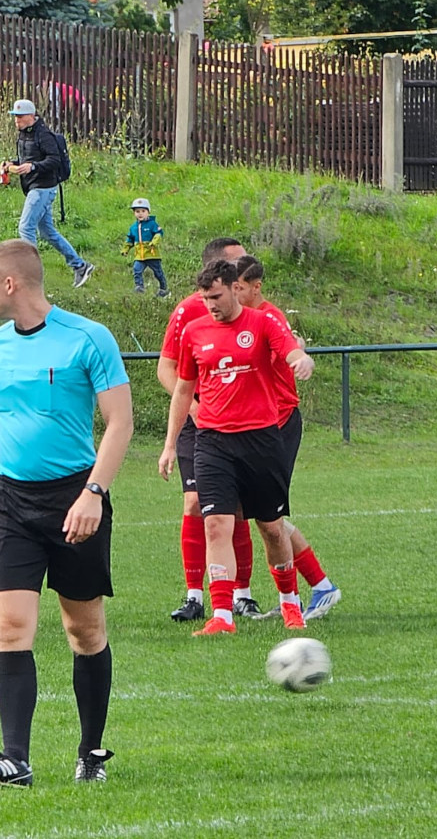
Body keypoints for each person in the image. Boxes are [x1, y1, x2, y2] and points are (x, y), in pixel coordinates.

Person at [0, 239, 133, 789]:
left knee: (82, 631)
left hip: (74, 499)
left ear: (10, 284)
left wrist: (94, 493)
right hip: (10, 503)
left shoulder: (89, 338)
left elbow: (119, 422)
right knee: (10, 627)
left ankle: (91, 752)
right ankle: (15, 758)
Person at [158, 259, 315, 636]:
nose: (210, 304)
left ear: (233, 288)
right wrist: (168, 446)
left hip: (260, 439)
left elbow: (289, 348)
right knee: (215, 524)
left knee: (272, 529)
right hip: (212, 442)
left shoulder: (262, 322)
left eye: (216, 296)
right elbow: (182, 390)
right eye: (204, 298)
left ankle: (290, 604)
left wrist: (301, 359)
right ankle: (222, 615)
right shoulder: (194, 332)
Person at [156, 238, 260, 623]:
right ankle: (195, 596)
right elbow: (167, 370)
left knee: (239, 508)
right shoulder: (187, 313)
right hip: (200, 424)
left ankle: (242, 596)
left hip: (247, 425)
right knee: (195, 503)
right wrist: (196, 408)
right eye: (239, 262)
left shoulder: (254, 312)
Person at [233, 255, 342, 620]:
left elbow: (287, 349)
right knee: (258, 518)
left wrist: (299, 356)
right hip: (254, 428)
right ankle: (300, 593)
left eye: (240, 288)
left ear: (256, 287)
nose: (233, 295)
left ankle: (320, 586)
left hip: (277, 424)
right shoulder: (240, 321)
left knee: (269, 520)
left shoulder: (269, 317)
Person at [2, 99, 94, 290]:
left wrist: (33, 166)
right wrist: (10, 164)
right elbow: (25, 158)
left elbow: (54, 160)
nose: (16, 120)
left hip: (43, 187)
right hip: (34, 186)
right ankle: (80, 266)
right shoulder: (24, 135)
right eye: (15, 116)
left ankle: (30, 277)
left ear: (30, 116)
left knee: (26, 228)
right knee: (47, 232)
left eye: (19, 117)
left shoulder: (44, 134)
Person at [121, 197, 169, 297]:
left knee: (158, 272)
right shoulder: (133, 227)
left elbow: (159, 233)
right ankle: (139, 287)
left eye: (143, 211)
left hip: (152, 255)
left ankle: (163, 288)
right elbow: (130, 239)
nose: (140, 213)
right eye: (137, 211)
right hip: (140, 255)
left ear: (148, 212)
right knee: (136, 269)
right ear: (134, 213)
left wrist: (154, 242)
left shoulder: (152, 224)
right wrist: (126, 249)